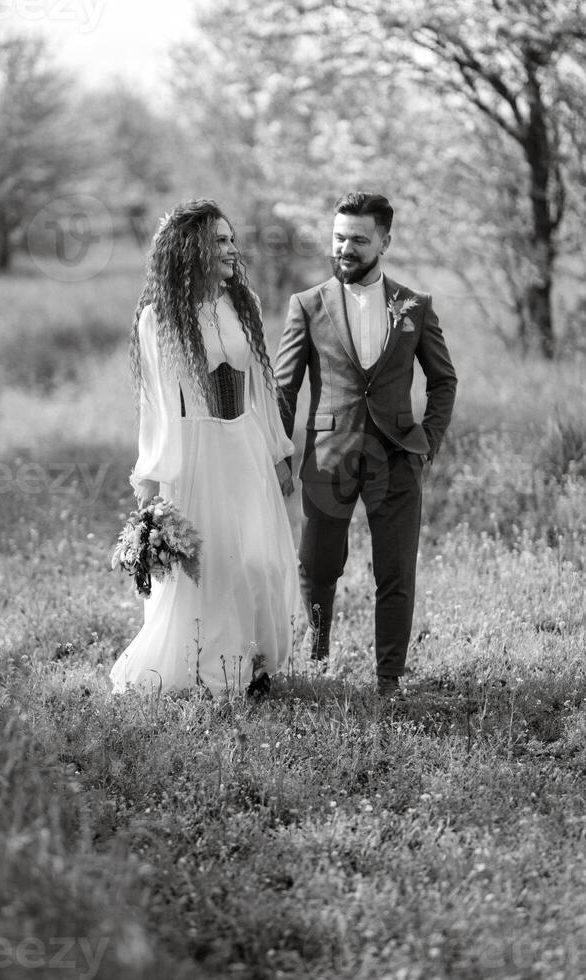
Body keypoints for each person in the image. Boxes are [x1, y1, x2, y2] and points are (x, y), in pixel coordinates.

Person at [110, 199, 298, 697]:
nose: (231, 249)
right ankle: (223, 670)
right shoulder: (159, 319)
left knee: (259, 559)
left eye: (232, 239)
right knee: (211, 568)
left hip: (245, 446)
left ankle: (254, 655)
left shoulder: (245, 306)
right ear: (188, 249)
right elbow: (154, 409)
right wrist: (151, 479)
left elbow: (261, 385)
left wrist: (280, 451)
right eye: (218, 241)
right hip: (195, 455)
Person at [275, 192, 457, 696]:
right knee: (318, 565)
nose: (345, 248)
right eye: (339, 238)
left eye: (358, 238)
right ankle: (316, 659)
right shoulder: (307, 305)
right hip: (328, 457)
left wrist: (429, 442)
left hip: (398, 456)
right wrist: (279, 453)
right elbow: (284, 387)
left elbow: (443, 381)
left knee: (395, 570)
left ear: (385, 242)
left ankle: (389, 678)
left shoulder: (415, 307)